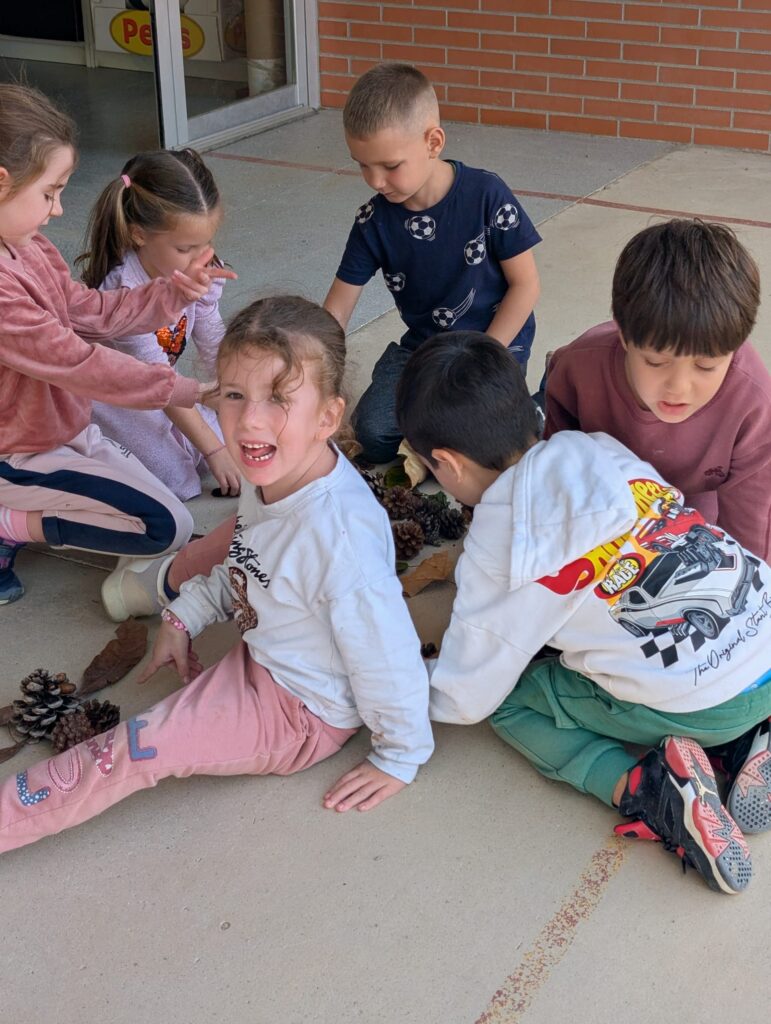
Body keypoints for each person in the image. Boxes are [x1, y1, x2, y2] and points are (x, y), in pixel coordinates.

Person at [0, 296, 433, 854]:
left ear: (328, 417)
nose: (249, 420)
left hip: (301, 712)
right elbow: (249, 561)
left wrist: (400, 754)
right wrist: (183, 616)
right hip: (267, 654)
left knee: (127, 751)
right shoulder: (274, 470)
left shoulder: (339, 540)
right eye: (234, 395)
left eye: (279, 398)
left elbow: (387, 654)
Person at [396, 330, 771, 895]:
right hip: (762, 639)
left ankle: (648, 790)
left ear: (445, 464)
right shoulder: (596, 448)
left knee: (511, 704)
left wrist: (391, 684)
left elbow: (465, 696)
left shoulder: (497, 548)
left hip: (701, 703)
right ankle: (744, 740)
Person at [0, 83, 235, 607]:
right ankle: (8, 523)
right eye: (49, 193)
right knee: (165, 524)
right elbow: (79, 362)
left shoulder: (31, 247)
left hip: (67, 428)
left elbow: (95, 313)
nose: (59, 210)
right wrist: (190, 390)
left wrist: (175, 293)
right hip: (18, 451)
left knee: (172, 515)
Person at [323, 62, 541, 464]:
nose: (374, 181)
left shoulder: (486, 195)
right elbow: (337, 309)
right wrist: (314, 378)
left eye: (390, 166)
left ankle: (536, 407)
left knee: (483, 439)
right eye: (362, 164)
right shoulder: (373, 221)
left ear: (433, 142)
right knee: (372, 433)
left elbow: (525, 285)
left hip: (494, 346)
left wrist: (482, 356)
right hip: (426, 349)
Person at [544, 219, 771, 562]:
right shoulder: (577, 368)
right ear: (622, 334)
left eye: (706, 366)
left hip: (699, 515)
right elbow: (556, 471)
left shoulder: (753, 403)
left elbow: (749, 529)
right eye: (655, 362)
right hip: (608, 507)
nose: (679, 388)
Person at [79, 148, 241, 502]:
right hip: (114, 401)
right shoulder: (124, 293)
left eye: (207, 243)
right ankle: (81, 451)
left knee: (232, 443)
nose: (202, 258)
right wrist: (214, 449)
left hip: (162, 390)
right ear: (139, 235)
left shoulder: (197, 270)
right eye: (186, 248)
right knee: (179, 482)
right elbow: (154, 378)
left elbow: (213, 340)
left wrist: (241, 392)